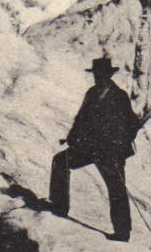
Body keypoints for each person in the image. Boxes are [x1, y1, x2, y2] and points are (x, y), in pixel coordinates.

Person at [50, 56, 140, 241]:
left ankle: (122, 232)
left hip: (111, 153)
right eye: (96, 75)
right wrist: (71, 138)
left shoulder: (119, 96)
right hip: (90, 148)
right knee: (61, 161)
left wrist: (119, 146)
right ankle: (59, 207)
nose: (98, 78)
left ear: (109, 75)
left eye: (102, 75)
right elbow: (80, 119)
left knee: (116, 190)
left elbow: (132, 124)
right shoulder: (91, 94)